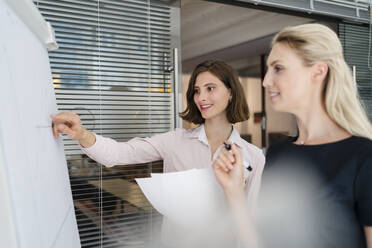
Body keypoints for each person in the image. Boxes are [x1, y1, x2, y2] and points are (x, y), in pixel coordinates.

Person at [51, 60, 265, 247]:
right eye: (197, 90)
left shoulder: (253, 156)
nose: (201, 97)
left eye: (210, 88)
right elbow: (119, 154)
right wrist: (81, 134)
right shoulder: (175, 141)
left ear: (230, 92)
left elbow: (251, 217)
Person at [213, 23, 372, 248]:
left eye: (278, 68)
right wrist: (234, 191)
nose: (266, 80)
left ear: (318, 72)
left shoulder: (363, 156)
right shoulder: (278, 153)